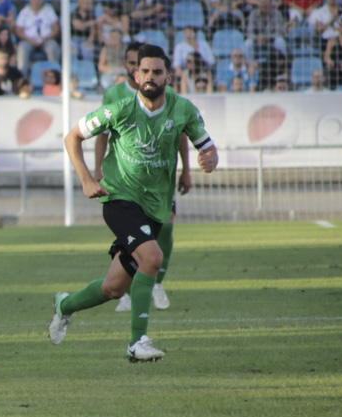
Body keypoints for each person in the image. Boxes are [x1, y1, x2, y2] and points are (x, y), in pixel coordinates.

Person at [49, 44, 217, 360]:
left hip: (155, 204)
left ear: (168, 76)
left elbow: (205, 145)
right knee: (152, 257)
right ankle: (136, 343)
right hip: (119, 197)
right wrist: (87, 179)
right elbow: (72, 137)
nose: (150, 77)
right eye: (145, 71)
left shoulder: (183, 109)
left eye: (157, 71)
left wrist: (209, 159)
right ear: (135, 74)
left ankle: (64, 304)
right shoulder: (119, 109)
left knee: (114, 287)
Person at [95, 42, 188, 311]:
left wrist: (186, 169)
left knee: (164, 227)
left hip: (160, 181)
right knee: (139, 244)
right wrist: (97, 169)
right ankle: (131, 306)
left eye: (151, 69)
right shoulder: (115, 96)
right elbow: (100, 134)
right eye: (136, 65)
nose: (143, 71)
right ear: (130, 67)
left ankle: (156, 282)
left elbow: (183, 132)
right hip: (126, 183)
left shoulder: (168, 97)